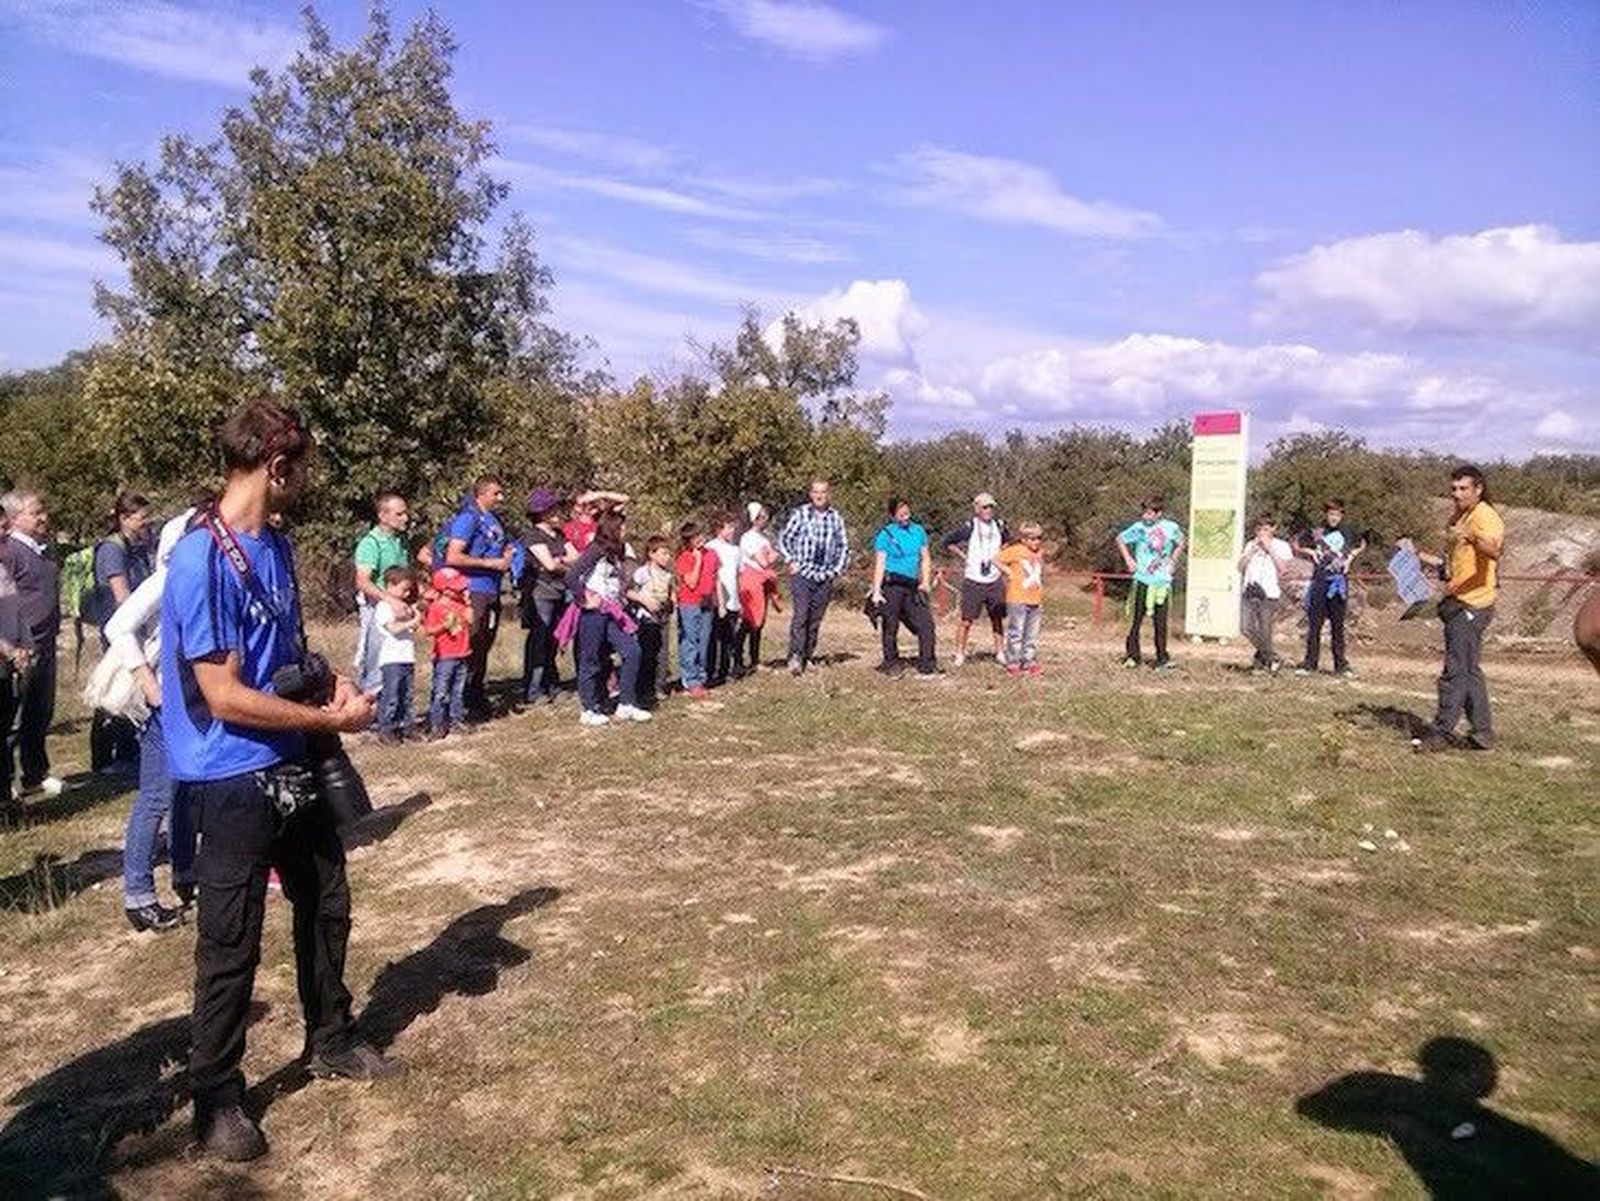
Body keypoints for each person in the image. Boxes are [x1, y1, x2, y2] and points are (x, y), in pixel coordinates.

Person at [160, 398, 390, 1163]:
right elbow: (222, 693)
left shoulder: (274, 546)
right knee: (230, 940)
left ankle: (332, 1036)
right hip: (230, 775)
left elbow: (282, 653)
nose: (306, 483)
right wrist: (333, 724)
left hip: (290, 756)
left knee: (327, 903)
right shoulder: (199, 558)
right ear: (276, 466)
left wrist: (333, 683)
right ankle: (216, 1097)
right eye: (303, 470)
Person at [103, 504, 200, 931]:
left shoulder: (200, 576)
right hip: (161, 703)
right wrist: (148, 683)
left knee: (185, 789)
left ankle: (185, 873)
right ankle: (139, 895)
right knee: (157, 796)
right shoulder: (167, 579)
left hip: (187, 699)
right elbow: (117, 627)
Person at [1412, 465, 1505, 753]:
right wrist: (1416, 556)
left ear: (1478, 489)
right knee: (1469, 671)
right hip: (1457, 600)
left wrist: (1473, 536)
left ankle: (1440, 733)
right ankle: (1483, 733)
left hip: (1472, 603)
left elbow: (1494, 550)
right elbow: (1451, 564)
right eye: (1454, 489)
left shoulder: (1484, 516)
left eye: (1463, 489)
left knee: (1455, 671)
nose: (1456, 494)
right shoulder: (1460, 517)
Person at [0, 491, 64, 800]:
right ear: (14, 519)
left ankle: (35, 773)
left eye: (44, 510)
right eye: (35, 512)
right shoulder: (9, 551)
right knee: (14, 715)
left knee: (40, 711)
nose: (44, 517)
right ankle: (6, 782)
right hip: (20, 646)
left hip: (46, 641)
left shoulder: (45, 549)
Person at [87, 493, 154, 774]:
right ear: (124, 519)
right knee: (116, 693)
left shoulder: (136, 546)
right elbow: (122, 596)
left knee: (129, 691)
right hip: (121, 631)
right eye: (141, 518)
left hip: (132, 628)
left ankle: (126, 753)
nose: (147, 524)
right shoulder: (113, 550)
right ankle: (108, 759)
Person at [566, 510, 651, 726]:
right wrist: (583, 598)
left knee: (632, 650)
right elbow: (571, 575)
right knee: (591, 659)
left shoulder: (615, 552)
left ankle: (626, 703)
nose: (625, 530)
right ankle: (589, 708)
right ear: (612, 528)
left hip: (612, 612)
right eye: (621, 527)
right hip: (593, 614)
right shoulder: (596, 549)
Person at [445, 476, 513, 722]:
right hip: (473, 589)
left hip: (492, 589)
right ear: (481, 494)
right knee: (470, 644)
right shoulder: (468, 518)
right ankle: (459, 700)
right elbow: (454, 555)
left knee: (484, 643)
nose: (500, 498)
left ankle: (476, 695)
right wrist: (488, 563)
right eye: (496, 493)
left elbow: (498, 548)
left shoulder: (493, 520)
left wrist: (506, 557)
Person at [778, 478, 850, 675]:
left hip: (824, 575)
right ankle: (795, 656)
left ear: (828, 494)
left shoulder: (836, 518)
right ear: (810, 494)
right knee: (801, 615)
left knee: (815, 619)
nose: (819, 496)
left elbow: (844, 546)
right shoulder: (800, 514)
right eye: (816, 492)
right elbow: (784, 538)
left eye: (823, 492)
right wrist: (790, 560)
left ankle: (808, 655)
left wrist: (836, 569)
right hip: (803, 573)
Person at [869, 497, 938, 677]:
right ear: (893, 515)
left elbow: (925, 557)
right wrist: (876, 591)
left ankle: (927, 665)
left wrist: (925, 581)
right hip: (892, 585)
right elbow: (880, 563)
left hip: (913, 586)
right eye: (901, 514)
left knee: (926, 625)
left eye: (907, 512)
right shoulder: (885, 534)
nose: (905, 516)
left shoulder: (918, 531)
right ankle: (891, 663)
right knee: (890, 625)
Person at [1294, 499, 1364, 677]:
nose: (1333, 518)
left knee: (1338, 626)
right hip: (1319, 581)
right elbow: (1296, 543)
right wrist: (1310, 552)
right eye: (1331, 514)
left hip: (1338, 583)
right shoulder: (1317, 531)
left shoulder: (1348, 531)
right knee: (1315, 626)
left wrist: (1351, 557)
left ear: (1342, 515)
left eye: (1337, 514)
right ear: (1326, 514)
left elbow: (1363, 543)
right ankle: (1310, 664)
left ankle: (1341, 666)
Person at [351, 492, 411, 694]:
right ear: (383, 516)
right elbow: (362, 581)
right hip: (376, 609)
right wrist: (391, 601)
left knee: (394, 660)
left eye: (405, 513)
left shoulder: (400, 541)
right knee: (375, 660)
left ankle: (391, 713)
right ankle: (369, 712)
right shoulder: (370, 544)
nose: (405, 518)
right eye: (399, 514)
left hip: (396, 609)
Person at [942, 493, 1011, 668]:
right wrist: (964, 556)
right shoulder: (969, 526)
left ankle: (1000, 652)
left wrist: (1001, 557)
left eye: (991, 507)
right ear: (976, 508)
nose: (988, 510)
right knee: (966, 620)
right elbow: (948, 542)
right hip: (973, 579)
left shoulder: (1000, 525)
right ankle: (959, 653)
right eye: (984, 507)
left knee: (997, 618)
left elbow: (1009, 542)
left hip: (994, 579)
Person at [519, 488, 573, 707]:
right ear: (542, 512)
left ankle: (552, 684)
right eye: (553, 508)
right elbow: (549, 565)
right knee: (540, 639)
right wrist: (561, 561)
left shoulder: (559, 535)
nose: (558, 512)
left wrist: (559, 560)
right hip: (541, 593)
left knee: (553, 639)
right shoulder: (533, 535)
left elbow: (576, 558)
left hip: (559, 591)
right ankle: (533, 689)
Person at [1118, 495, 1184, 670]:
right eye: (1144, 513)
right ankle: (1133, 656)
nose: (1145, 517)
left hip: (1162, 582)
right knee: (1136, 620)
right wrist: (1129, 560)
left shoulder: (1170, 527)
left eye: (1149, 513)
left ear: (1158, 513)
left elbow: (1181, 542)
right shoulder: (1139, 528)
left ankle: (1162, 658)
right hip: (1142, 579)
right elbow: (1120, 539)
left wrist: (1172, 561)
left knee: (1160, 623)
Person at [0, 506, 31, 813]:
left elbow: (17, 612)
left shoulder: (3, 566)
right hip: (5, 656)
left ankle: (7, 797)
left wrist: (26, 645)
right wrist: (10, 650)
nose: (5, 532)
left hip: (8, 663)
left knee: (8, 730)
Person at [1237, 515, 1293, 673]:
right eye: (1259, 529)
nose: (1261, 532)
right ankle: (1272, 657)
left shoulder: (1281, 545)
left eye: (1266, 529)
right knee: (1246, 627)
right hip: (1249, 590)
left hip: (1268, 593)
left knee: (1265, 630)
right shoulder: (1250, 544)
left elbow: (1284, 569)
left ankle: (1264, 663)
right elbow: (1240, 568)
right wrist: (1250, 553)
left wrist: (1269, 549)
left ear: (1274, 529)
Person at [423, 567, 472, 739]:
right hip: (445, 656)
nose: (461, 590)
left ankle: (456, 720)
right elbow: (428, 630)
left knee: (458, 690)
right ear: (444, 589)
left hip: (462, 653)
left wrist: (467, 603)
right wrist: (444, 626)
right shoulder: (436, 607)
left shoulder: (461, 605)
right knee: (441, 691)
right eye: (457, 588)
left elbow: (472, 620)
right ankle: (437, 723)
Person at [374, 567, 420, 743]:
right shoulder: (384, 607)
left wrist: (415, 617)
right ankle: (386, 728)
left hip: (406, 657)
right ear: (390, 585)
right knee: (391, 694)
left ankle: (406, 726)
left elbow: (411, 628)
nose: (407, 593)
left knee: (406, 695)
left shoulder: (404, 607)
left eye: (409, 589)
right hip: (391, 658)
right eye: (404, 589)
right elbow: (392, 628)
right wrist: (412, 621)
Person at [675, 521, 720, 699]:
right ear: (688, 541)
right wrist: (698, 559)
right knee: (690, 641)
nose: (700, 539)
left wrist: (719, 601)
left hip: (707, 603)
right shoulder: (685, 557)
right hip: (690, 604)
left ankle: (701, 678)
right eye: (695, 537)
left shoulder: (712, 554)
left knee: (704, 642)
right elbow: (691, 582)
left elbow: (715, 578)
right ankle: (690, 680)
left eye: (700, 535)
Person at [995, 522, 1046, 678]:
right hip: (1017, 598)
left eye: (1039, 538)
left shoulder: (1039, 553)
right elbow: (996, 559)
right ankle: (1013, 662)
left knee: (1031, 633)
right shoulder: (1016, 551)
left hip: (1035, 598)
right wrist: (1008, 572)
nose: (1036, 542)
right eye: (1032, 539)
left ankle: (1029, 660)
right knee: (1016, 632)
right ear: (1023, 539)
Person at [736, 502, 781, 673]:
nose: (765, 519)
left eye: (765, 515)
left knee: (759, 622)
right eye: (760, 516)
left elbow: (768, 558)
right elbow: (764, 561)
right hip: (751, 582)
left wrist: (770, 557)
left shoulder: (763, 538)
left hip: (763, 582)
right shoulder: (748, 538)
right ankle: (738, 658)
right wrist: (771, 557)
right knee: (750, 621)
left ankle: (754, 660)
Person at [631, 535, 675, 707]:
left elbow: (670, 592)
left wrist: (672, 603)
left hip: (663, 617)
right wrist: (644, 601)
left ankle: (659, 686)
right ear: (651, 554)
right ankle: (644, 689)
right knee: (647, 653)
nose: (667, 557)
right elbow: (629, 592)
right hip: (646, 619)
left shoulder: (668, 574)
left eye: (668, 554)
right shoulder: (642, 572)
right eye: (663, 553)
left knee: (662, 653)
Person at [705, 513, 742, 685]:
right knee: (713, 637)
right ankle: (709, 671)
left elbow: (738, 576)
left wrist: (739, 600)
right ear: (719, 529)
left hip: (733, 600)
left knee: (729, 639)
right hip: (715, 601)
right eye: (729, 527)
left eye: (733, 527)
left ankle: (725, 671)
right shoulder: (710, 547)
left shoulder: (736, 550)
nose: (733, 530)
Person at [564, 489, 630, 553]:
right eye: (589, 503)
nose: (592, 505)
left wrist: (602, 494)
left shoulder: (604, 520)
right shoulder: (570, 527)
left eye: (593, 502)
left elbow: (626, 499)